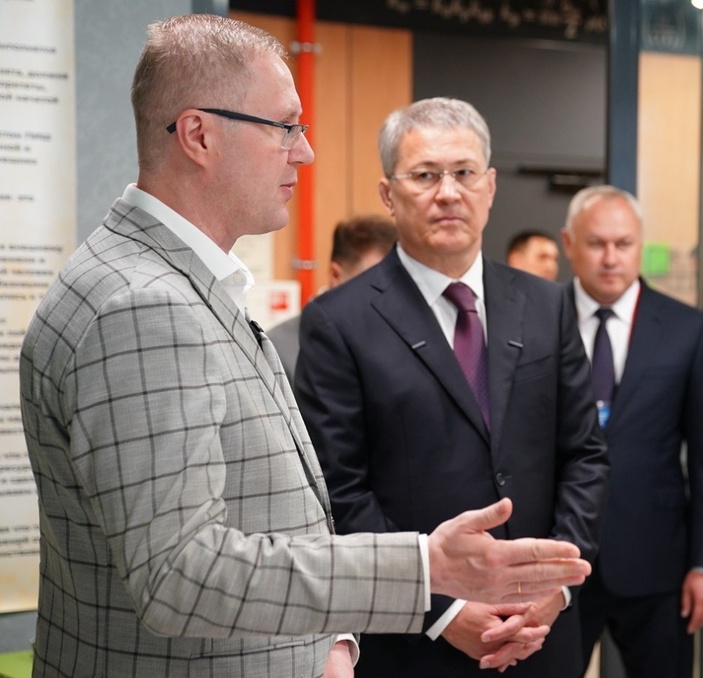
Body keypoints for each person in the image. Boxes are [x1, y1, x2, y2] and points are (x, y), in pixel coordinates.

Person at [17, 15, 590, 678]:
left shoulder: (180, 282)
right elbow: (180, 575)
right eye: (284, 127)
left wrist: (332, 641)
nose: (305, 152)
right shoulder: (144, 306)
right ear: (199, 135)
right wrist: (424, 569)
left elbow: (279, 509)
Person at [295, 97, 608, 677]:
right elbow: (340, 490)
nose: (448, 193)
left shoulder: (547, 304)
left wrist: (556, 587)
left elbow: (584, 454)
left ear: (490, 186)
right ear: (388, 194)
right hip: (415, 646)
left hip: (542, 635)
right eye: (424, 175)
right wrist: (441, 611)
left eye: (464, 172)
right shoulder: (339, 322)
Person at [559, 185, 703, 678]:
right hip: (558, 554)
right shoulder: (538, 320)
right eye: (596, 244)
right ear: (569, 243)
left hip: (657, 560)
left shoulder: (687, 328)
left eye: (624, 243)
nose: (611, 258)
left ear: (639, 244)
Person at [270, 213, 398, 384]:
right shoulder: (278, 349)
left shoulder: (401, 339)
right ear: (336, 275)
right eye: (375, 281)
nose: (388, 293)